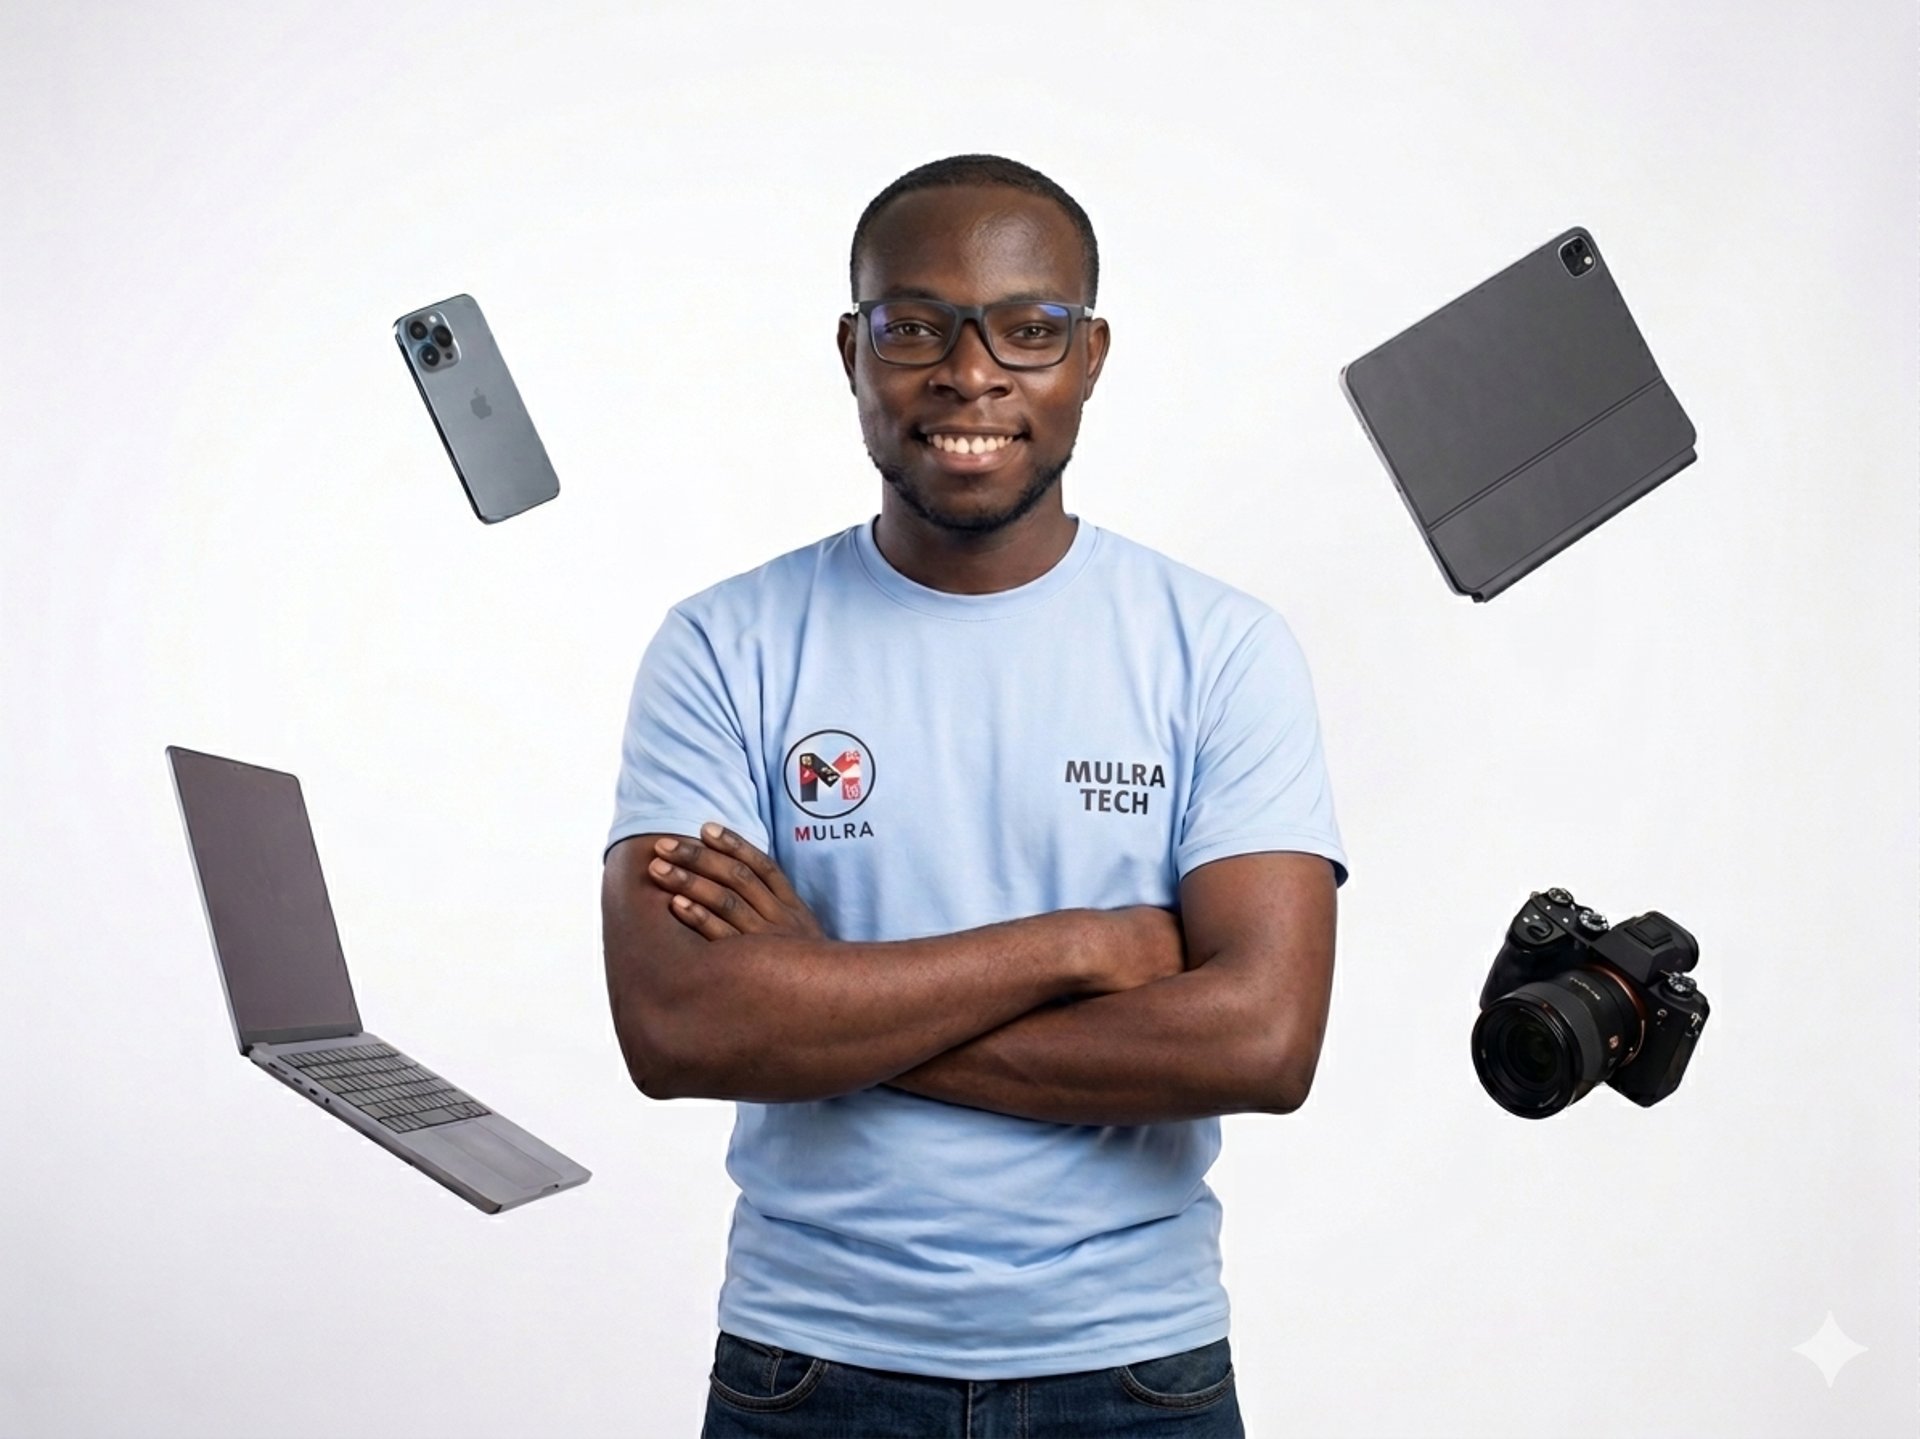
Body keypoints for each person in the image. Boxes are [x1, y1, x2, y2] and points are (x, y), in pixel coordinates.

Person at [601, 153, 1348, 1438]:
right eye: (914, 325)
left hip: (1136, 1374)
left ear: (1090, 355)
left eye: (1028, 327)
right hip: (809, 1367)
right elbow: (678, 1027)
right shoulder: (726, 644)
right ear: (852, 348)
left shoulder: (1220, 645)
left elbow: (1260, 1045)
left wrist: (829, 1000)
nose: (970, 371)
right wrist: (1082, 947)